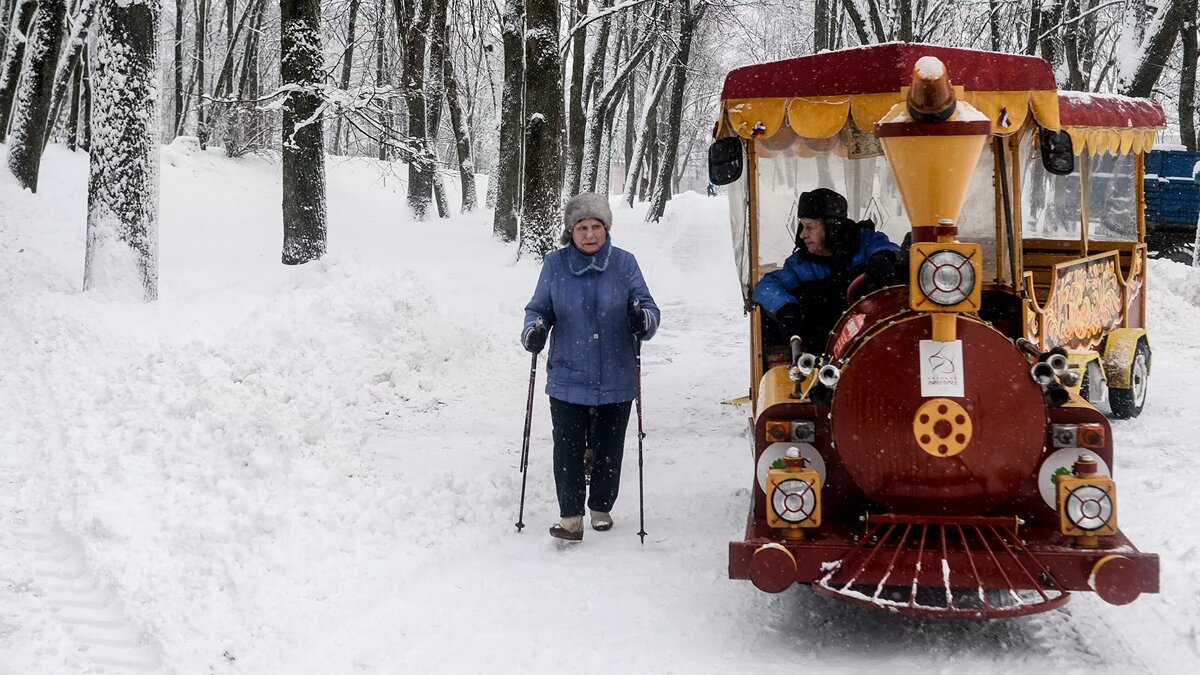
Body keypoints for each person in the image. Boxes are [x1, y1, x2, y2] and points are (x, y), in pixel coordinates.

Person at [522, 193, 660, 542]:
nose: (589, 234)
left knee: (609, 445)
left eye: (596, 226)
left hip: (616, 373)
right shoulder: (555, 265)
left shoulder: (625, 264)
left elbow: (649, 309)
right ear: (571, 231)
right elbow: (538, 309)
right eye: (581, 227)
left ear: (606, 228)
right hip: (569, 374)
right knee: (566, 446)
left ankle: (601, 505)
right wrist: (534, 330)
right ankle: (570, 518)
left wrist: (641, 319)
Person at [752, 188, 900, 353]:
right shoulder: (801, 264)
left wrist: (883, 258)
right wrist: (786, 308)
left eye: (810, 227)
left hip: (877, 339)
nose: (802, 234)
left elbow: (888, 249)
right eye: (802, 226)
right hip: (824, 352)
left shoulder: (865, 242)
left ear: (833, 228)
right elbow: (765, 287)